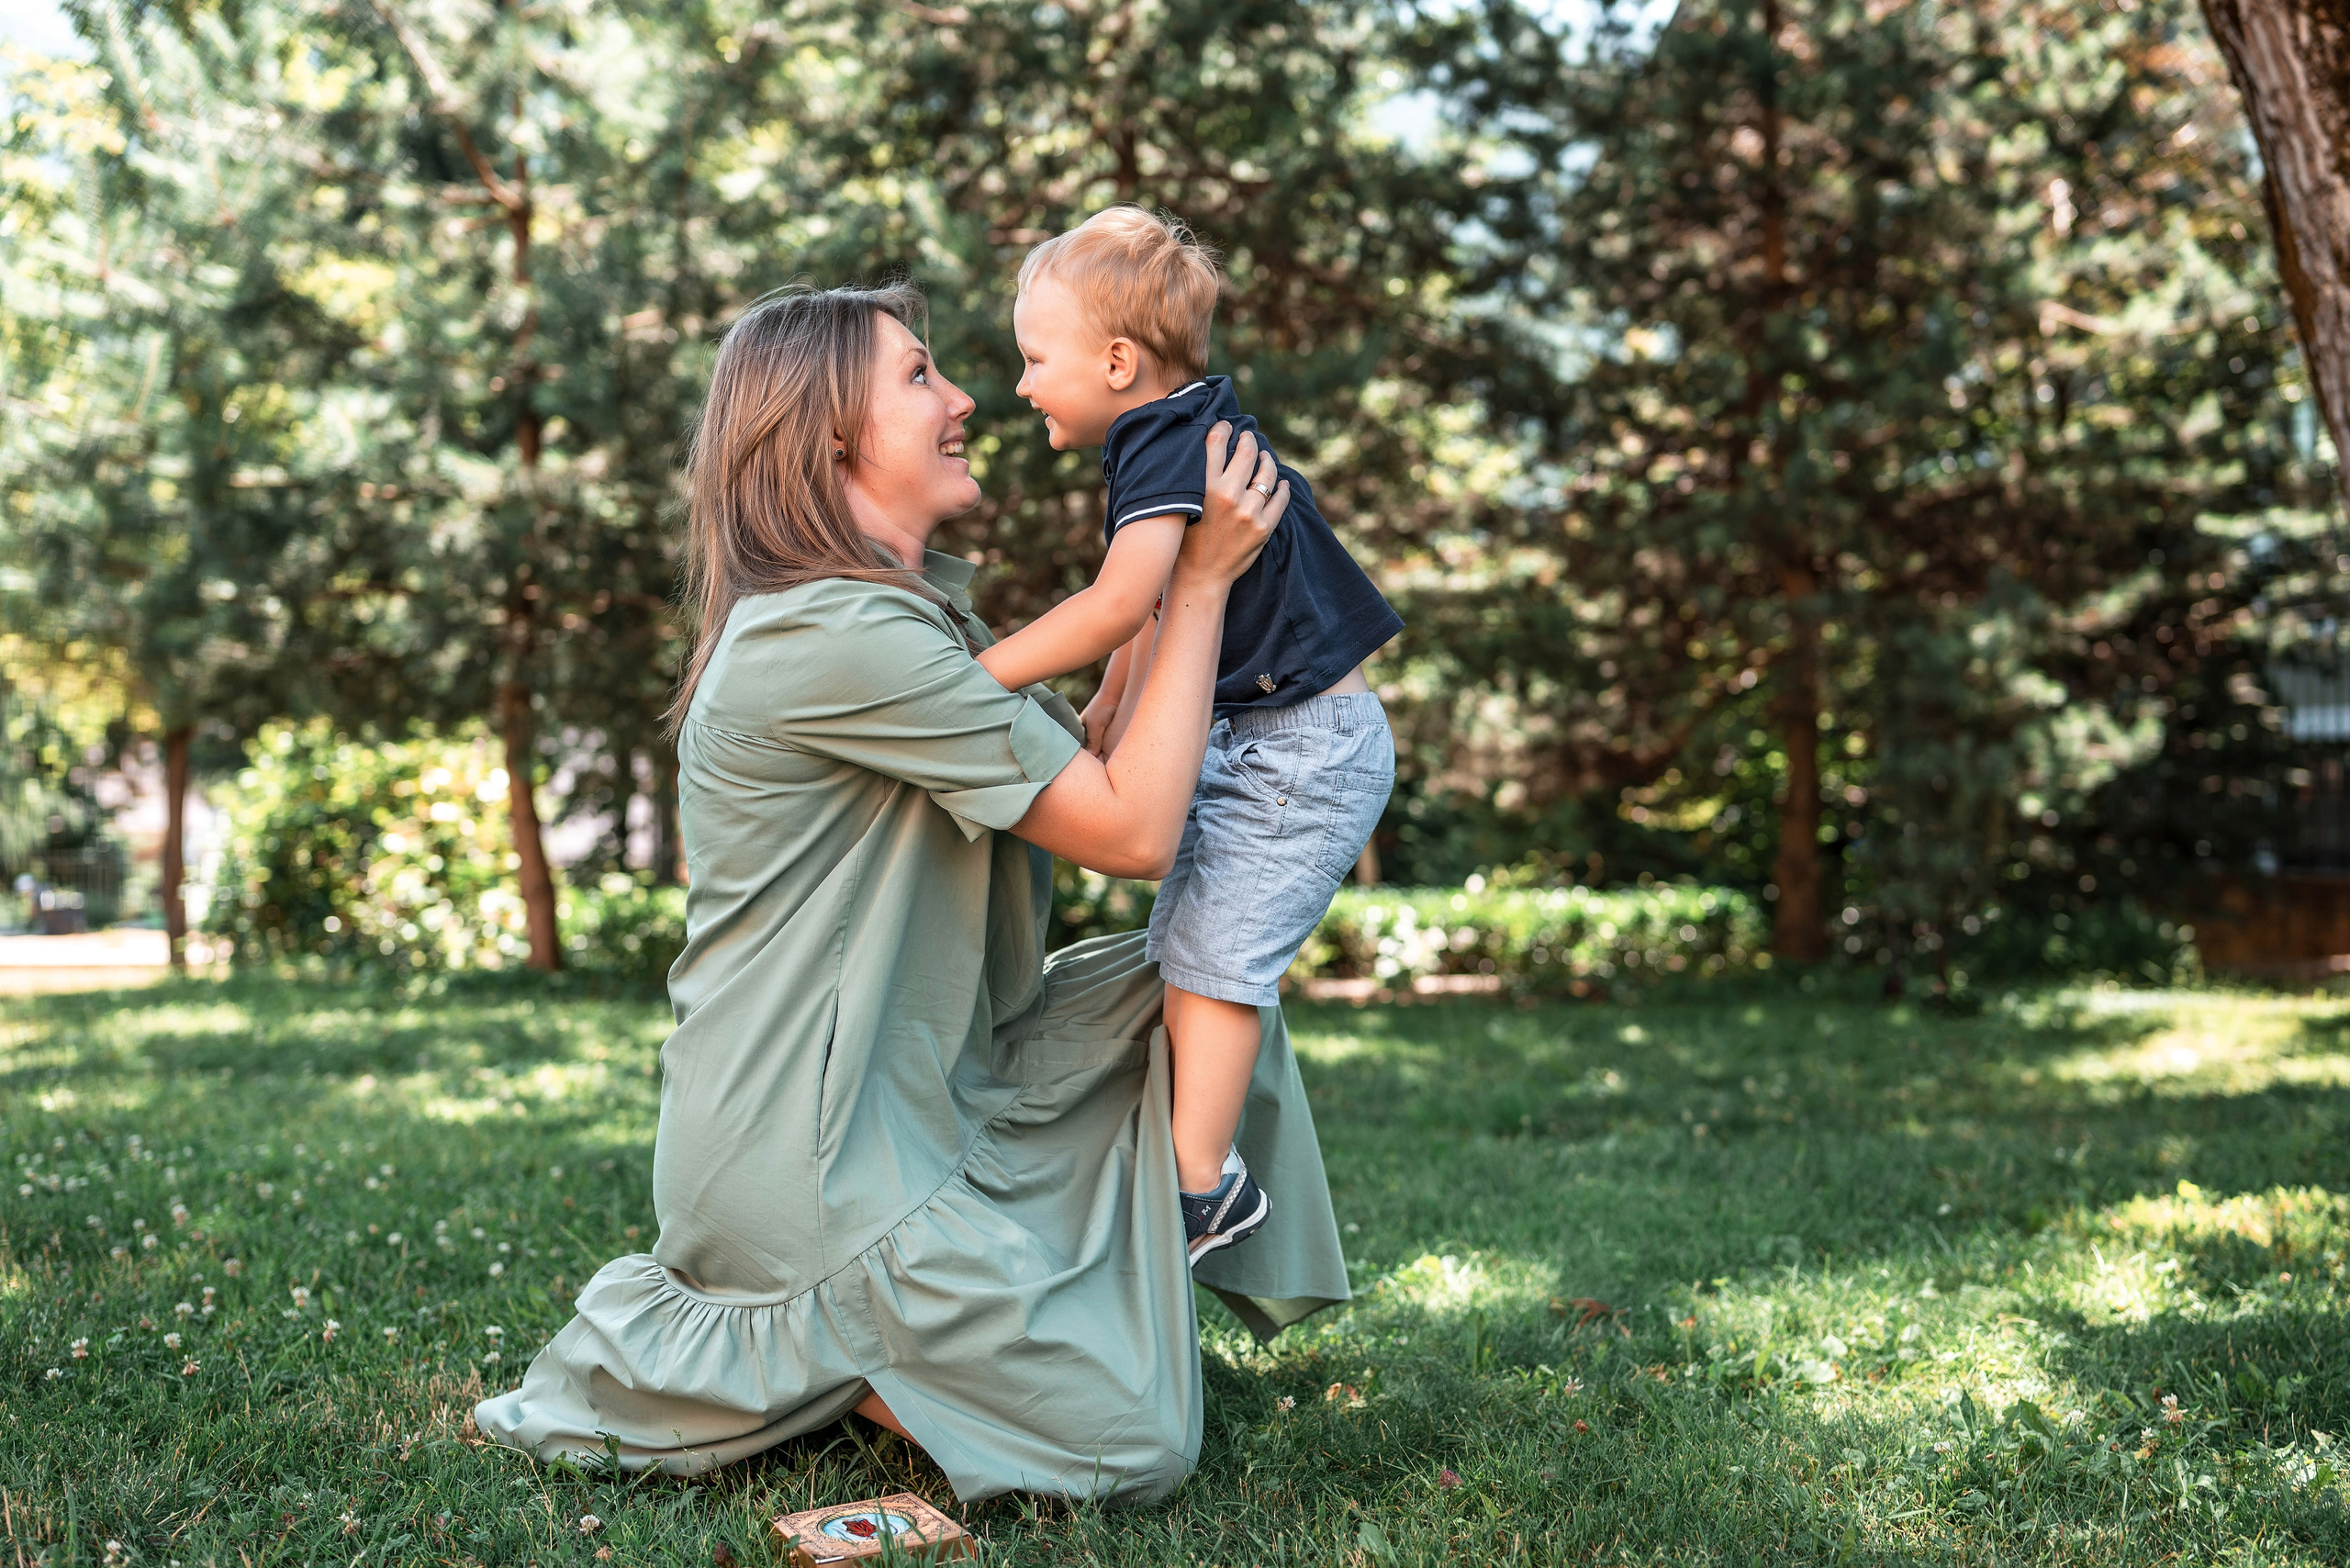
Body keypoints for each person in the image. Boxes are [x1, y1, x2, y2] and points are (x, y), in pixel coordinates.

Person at [473, 283, 1350, 1503]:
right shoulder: (830, 638)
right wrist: (1194, 586)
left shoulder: (913, 621)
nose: (966, 400)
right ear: (832, 433)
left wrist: (1178, 614)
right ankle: (854, 1361)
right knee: (1132, 1448)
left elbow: (1101, 762)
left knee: (1201, 972)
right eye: (921, 377)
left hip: (936, 1081)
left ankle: (1013, 1312)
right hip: (818, 1149)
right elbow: (1135, 831)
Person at [974, 208, 1403, 1261]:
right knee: (1185, 943)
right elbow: (1163, 606)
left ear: (1117, 361)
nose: (1023, 385)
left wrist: (967, 679)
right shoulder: (1173, 430)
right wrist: (1108, 715)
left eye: (1036, 358)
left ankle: (1202, 1185)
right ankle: (1190, 1161)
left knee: (1214, 959)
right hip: (1268, 730)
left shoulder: (1161, 439)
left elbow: (1121, 601)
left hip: (1301, 745)